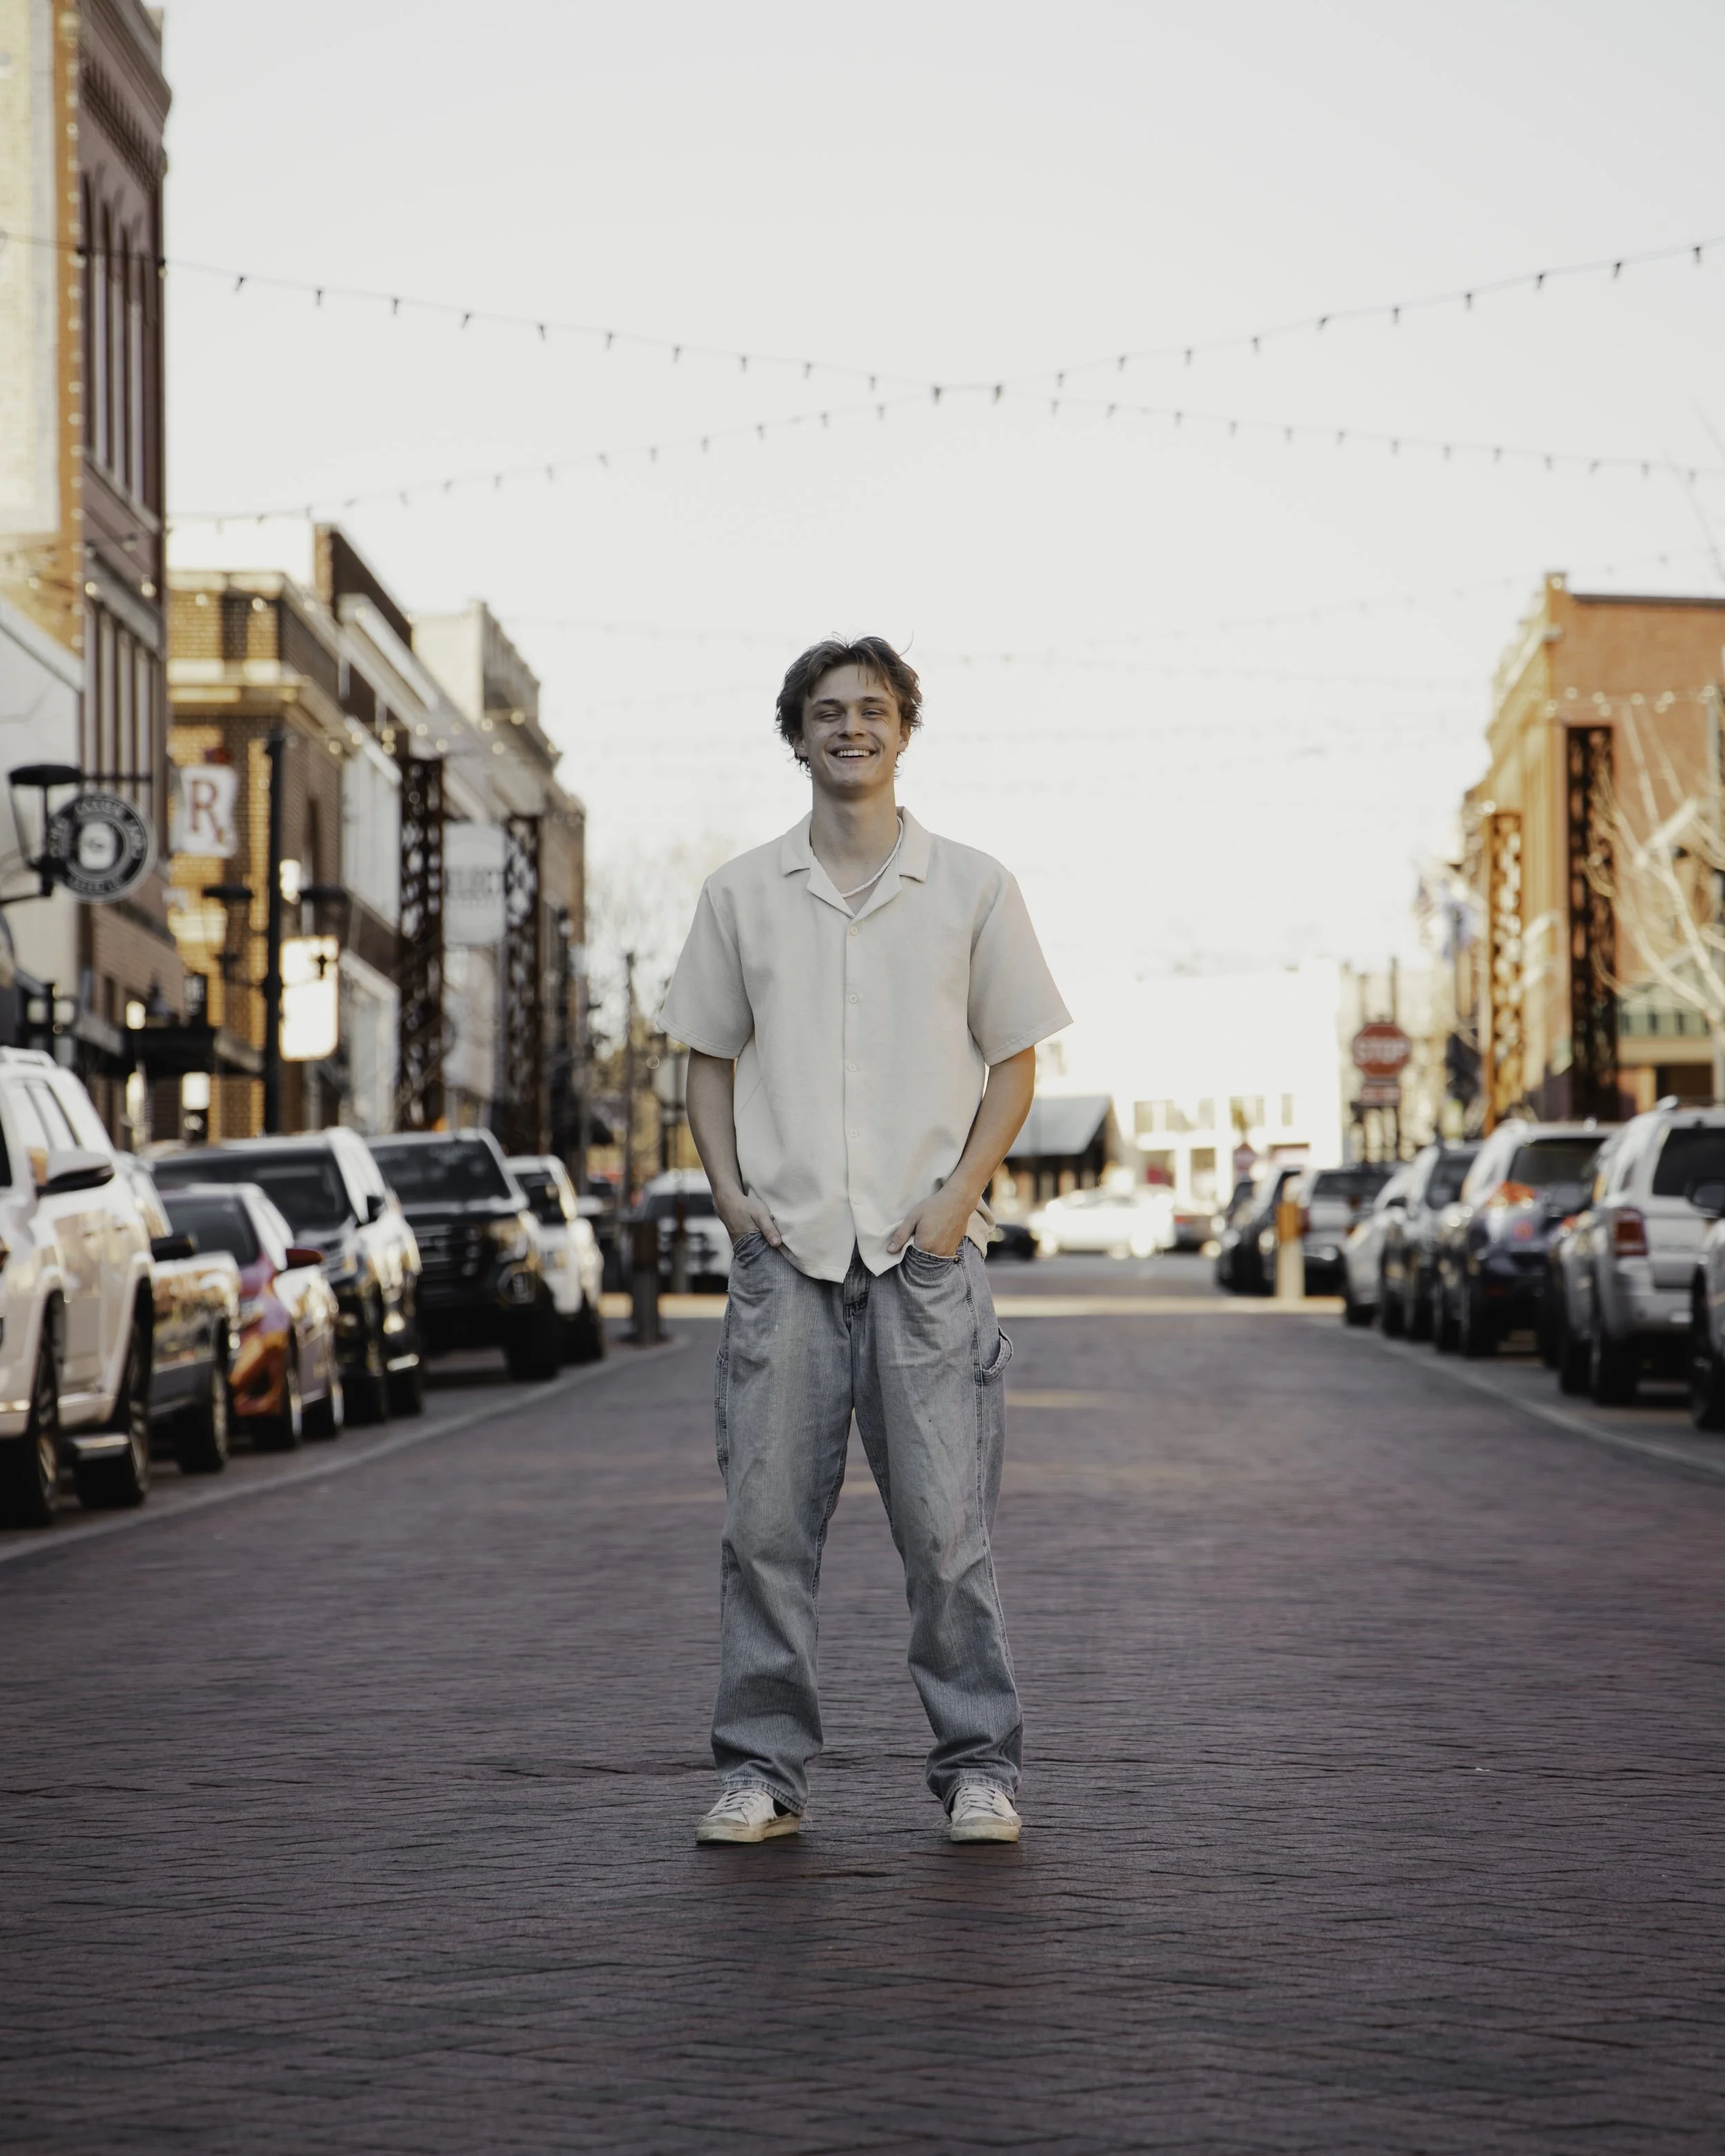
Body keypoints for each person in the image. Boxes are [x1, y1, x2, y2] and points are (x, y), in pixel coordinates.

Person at [659, 635, 1071, 1846]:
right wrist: (733, 1201)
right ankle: (761, 1776)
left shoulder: (973, 886)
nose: (852, 728)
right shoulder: (741, 894)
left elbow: (1016, 1062)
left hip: (924, 1263)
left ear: (905, 731)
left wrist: (955, 1205)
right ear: (796, 736)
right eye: (827, 712)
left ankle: (979, 1769)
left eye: (874, 710)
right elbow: (704, 1061)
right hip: (784, 1262)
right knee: (766, 1535)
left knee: (947, 1538)